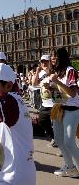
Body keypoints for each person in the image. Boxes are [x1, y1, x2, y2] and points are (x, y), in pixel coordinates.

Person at [49, 47, 79, 177]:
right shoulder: (57, 72)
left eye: (55, 56)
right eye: (51, 56)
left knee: (69, 142)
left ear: (62, 57)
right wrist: (51, 87)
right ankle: (70, 167)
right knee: (59, 139)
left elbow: (72, 93)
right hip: (59, 108)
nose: (52, 59)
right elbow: (60, 92)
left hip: (72, 109)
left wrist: (56, 82)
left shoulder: (70, 71)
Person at [31, 54, 57, 147]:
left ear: (50, 62)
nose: (44, 63)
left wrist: (51, 87)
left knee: (57, 125)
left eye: (46, 61)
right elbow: (34, 83)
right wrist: (37, 71)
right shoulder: (41, 73)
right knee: (42, 120)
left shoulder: (54, 71)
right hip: (45, 103)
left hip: (55, 102)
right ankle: (54, 137)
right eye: (42, 62)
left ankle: (62, 144)